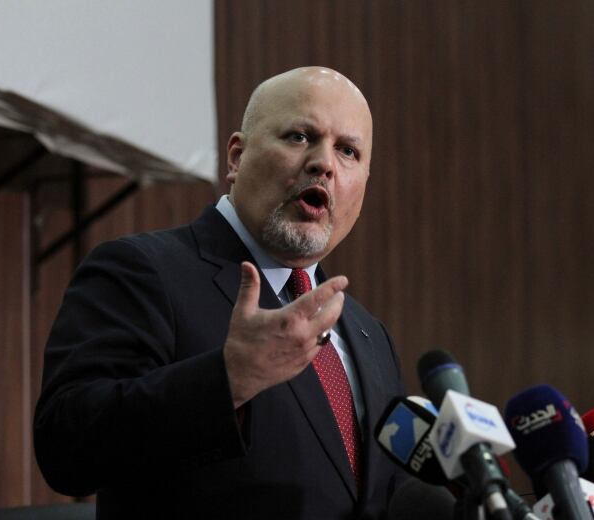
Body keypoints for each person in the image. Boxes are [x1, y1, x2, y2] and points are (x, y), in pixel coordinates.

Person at [34, 67, 407, 519]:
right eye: (298, 136)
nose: (324, 163)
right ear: (236, 157)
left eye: (348, 151)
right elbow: (65, 447)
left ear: (363, 183)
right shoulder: (142, 271)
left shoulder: (371, 336)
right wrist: (226, 381)